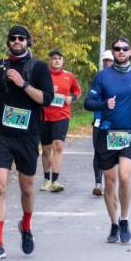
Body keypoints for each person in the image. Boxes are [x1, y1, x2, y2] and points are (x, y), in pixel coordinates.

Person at [0, 25, 54, 261]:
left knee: (27, 188)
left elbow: (47, 100)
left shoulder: (39, 67)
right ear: (8, 42)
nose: (16, 41)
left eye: (21, 38)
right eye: (13, 38)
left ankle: (26, 226)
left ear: (28, 41)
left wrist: (23, 84)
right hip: (2, 135)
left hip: (28, 136)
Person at [83, 36, 131, 244]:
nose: (121, 52)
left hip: (130, 133)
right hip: (107, 134)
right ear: (113, 52)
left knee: (124, 176)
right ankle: (114, 224)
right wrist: (104, 104)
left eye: (125, 49)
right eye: (117, 49)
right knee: (109, 182)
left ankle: (124, 219)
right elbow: (88, 103)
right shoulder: (102, 77)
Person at [39, 49, 81, 193]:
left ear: (62, 61)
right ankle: (46, 179)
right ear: (50, 61)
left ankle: (55, 181)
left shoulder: (69, 76)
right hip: (44, 115)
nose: (56, 60)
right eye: (54, 58)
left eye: (59, 58)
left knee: (58, 146)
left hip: (62, 115)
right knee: (46, 149)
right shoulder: (43, 75)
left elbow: (77, 91)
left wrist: (72, 98)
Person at [91, 50, 114, 196]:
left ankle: (111, 183)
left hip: (116, 122)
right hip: (99, 120)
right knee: (98, 151)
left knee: (113, 153)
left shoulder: (122, 78)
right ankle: (98, 183)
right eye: (105, 60)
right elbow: (91, 99)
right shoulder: (99, 78)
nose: (107, 63)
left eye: (109, 60)